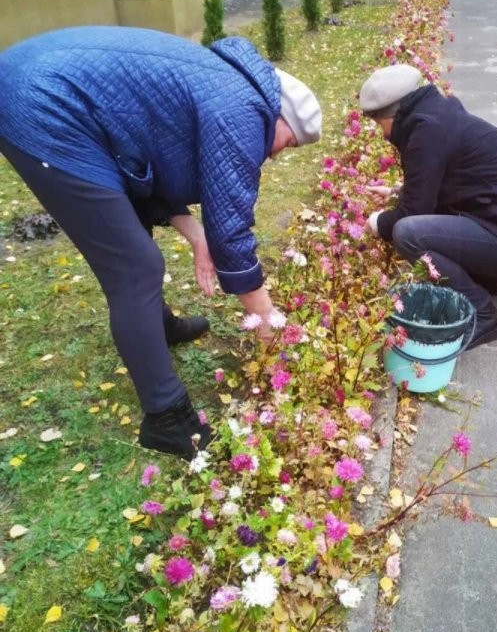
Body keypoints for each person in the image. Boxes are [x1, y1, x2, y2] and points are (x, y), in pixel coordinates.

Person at [0, 26, 322, 459]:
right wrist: (267, 318)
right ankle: (166, 419)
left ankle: (157, 326)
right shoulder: (244, 112)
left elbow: (153, 164)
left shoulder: (228, 88)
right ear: (281, 118)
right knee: (136, 268)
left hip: (43, 81)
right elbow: (232, 231)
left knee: (131, 225)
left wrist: (194, 236)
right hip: (43, 106)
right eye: (287, 145)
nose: (275, 155)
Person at [359, 65, 497, 348]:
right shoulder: (438, 116)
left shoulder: (427, 132)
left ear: (394, 114)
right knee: (426, 221)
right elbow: (446, 182)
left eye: (380, 124)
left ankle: (482, 315)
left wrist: (377, 223)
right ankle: (487, 277)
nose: (382, 134)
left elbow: (412, 214)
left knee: (407, 232)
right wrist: (396, 191)